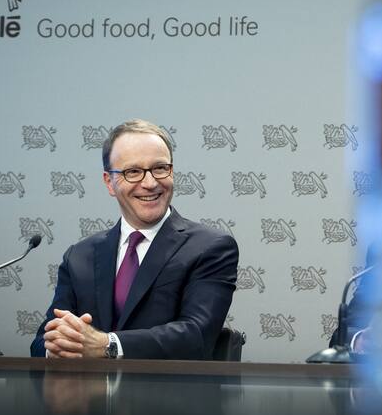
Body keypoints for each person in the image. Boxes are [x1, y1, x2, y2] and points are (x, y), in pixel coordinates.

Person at [30, 119, 238, 359]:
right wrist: (57, 347)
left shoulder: (211, 247)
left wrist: (107, 345)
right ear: (110, 182)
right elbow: (41, 342)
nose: (150, 183)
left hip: (171, 394)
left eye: (160, 168)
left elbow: (196, 335)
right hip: (88, 395)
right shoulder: (79, 256)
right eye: (133, 172)